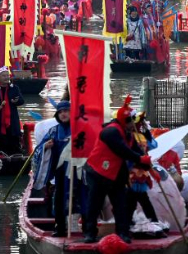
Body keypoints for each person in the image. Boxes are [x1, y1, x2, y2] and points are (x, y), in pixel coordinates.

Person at [83, 96, 151, 244]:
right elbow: (122, 150)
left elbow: (134, 150)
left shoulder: (130, 135)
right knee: (94, 204)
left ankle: (122, 233)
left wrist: (146, 163)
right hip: (98, 172)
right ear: (124, 122)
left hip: (116, 174)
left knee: (120, 204)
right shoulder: (111, 132)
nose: (134, 125)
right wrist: (139, 159)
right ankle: (90, 233)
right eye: (131, 122)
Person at [32, 101, 73, 237]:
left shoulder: (79, 130)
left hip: (77, 171)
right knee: (60, 199)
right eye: (60, 112)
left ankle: (87, 229)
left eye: (66, 111)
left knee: (80, 197)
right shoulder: (54, 131)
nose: (63, 114)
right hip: (60, 172)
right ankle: (60, 228)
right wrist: (46, 147)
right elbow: (38, 151)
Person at [0, 67, 25, 156]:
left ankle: (15, 157)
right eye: (4, 76)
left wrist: (16, 101)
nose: (7, 77)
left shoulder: (14, 88)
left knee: (13, 140)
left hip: (12, 120)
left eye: (8, 75)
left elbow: (21, 101)